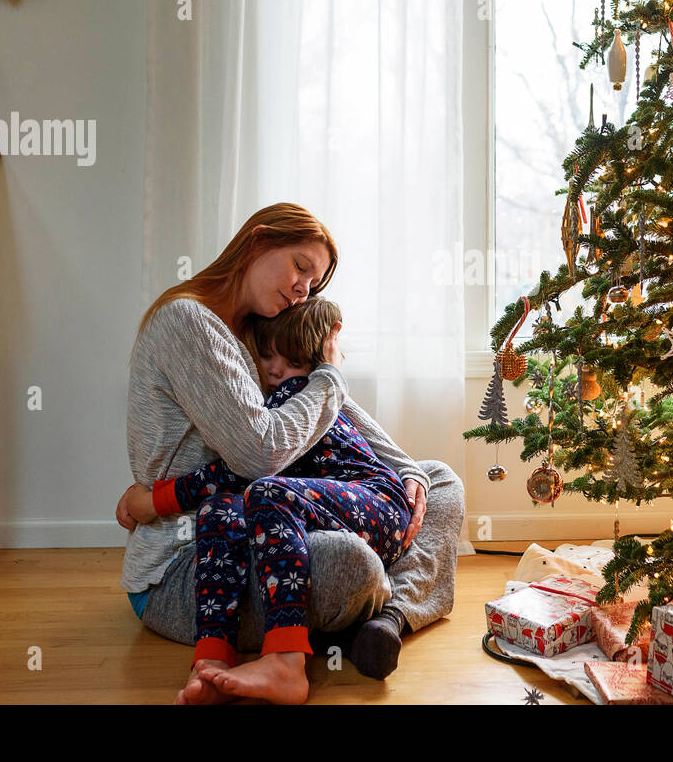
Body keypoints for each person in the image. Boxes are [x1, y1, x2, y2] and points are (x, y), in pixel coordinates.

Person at [118, 203, 464, 703]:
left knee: (438, 477)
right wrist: (328, 373)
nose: (304, 288)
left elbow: (330, 411)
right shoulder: (188, 323)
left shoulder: (254, 329)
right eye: (301, 267)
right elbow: (260, 455)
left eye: (314, 283)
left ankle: (388, 617)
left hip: (263, 519)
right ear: (258, 241)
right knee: (352, 562)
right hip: (197, 561)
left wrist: (407, 471)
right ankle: (378, 606)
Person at [123, 297, 412, 703]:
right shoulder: (260, 391)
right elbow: (231, 484)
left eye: (293, 362)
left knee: (264, 490)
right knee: (220, 509)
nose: (278, 370)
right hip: (324, 510)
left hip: (378, 505)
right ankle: (212, 658)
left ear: (316, 367)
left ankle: (285, 661)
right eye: (268, 355)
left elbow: (241, 469)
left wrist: (158, 498)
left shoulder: (300, 394)